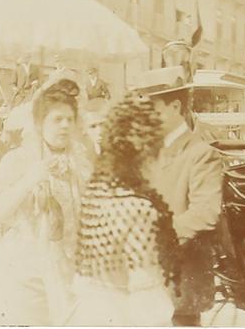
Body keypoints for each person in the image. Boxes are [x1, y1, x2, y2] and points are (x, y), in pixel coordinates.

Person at [0, 76, 91, 326]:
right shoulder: (18, 160)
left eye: (69, 119)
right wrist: (29, 181)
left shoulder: (81, 165)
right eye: (56, 119)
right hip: (26, 270)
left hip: (70, 270)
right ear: (40, 124)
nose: (64, 126)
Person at [65, 92, 181, 326]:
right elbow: (145, 288)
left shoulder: (98, 195)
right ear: (146, 156)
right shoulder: (138, 208)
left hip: (91, 311)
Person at [134, 42, 223, 327]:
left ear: (174, 107)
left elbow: (206, 213)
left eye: (150, 109)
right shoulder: (148, 153)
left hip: (181, 281)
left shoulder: (201, 153)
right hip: (144, 280)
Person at [80, 97, 111, 162]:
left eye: (103, 124)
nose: (99, 131)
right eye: (93, 126)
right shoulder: (81, 158)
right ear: (84, 130)